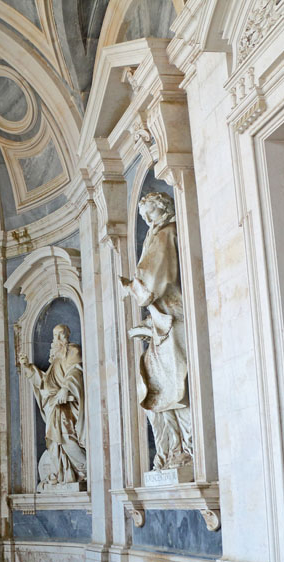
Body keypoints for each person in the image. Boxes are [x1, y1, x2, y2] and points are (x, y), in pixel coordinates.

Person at [120, 191, 193, 469]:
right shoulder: (158, 234)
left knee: (178, 381)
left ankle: (189, 448)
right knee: (156, 384)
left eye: (150, 213)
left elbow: (150, 285)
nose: (148, 219)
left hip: (173, 319)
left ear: (161, 209)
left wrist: (132, 286)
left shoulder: (166, 234)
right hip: (162, 323)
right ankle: (172, 451)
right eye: (144, 216)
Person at [18, 324, 87, 489]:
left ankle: (84, 468)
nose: (58, 339)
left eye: (61, 335)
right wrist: (27, 367)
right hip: (53, 404)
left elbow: (76, 371)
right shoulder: (56, 358)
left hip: (65, 405)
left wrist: (65, 388)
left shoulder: (73, 351)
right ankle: (65, 474)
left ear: (68, 336)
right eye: (55, 335)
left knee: (65, 436)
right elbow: (44, 382)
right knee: (53, 442)